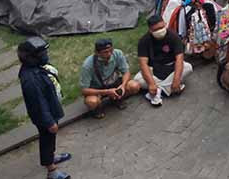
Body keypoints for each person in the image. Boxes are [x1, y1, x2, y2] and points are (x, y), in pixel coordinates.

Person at [17, 37, 72, 179]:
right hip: (44, 116)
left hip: (50, 111)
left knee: (50, 137)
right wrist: (49, 122)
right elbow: (38, 103)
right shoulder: (30, 78)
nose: (45, 56)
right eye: (42, 54)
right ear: (32, 57)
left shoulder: (35, 69)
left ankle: (51, 156)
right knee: (47, 139)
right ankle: (51, 170)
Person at [135, 13, 192, 106]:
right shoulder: (144, 41)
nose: (160, 31)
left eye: (161, 27)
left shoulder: (173, 36)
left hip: (171, 67)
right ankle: (168, 88)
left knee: (188, 67)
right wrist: (151, 83)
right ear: (150, 30)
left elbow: (179, 59)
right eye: (156, 29)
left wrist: (177, 79)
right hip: (154, 70)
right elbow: (143, 64)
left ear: (165, 24)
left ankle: (158, 91)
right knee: (137, 80)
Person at [79, 38, 140, 118]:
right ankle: (97, 108)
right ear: (97, 53)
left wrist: (123, 86)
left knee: (134, 86)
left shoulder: (118, 54)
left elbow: (126, 72)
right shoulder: (87, 65)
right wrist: (106, 92)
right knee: (92, 102)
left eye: (111, 50)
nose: (109, 54)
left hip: (115, 83)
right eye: (105, 52)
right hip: (98, 89)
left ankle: (116, 99)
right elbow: (84, 90)